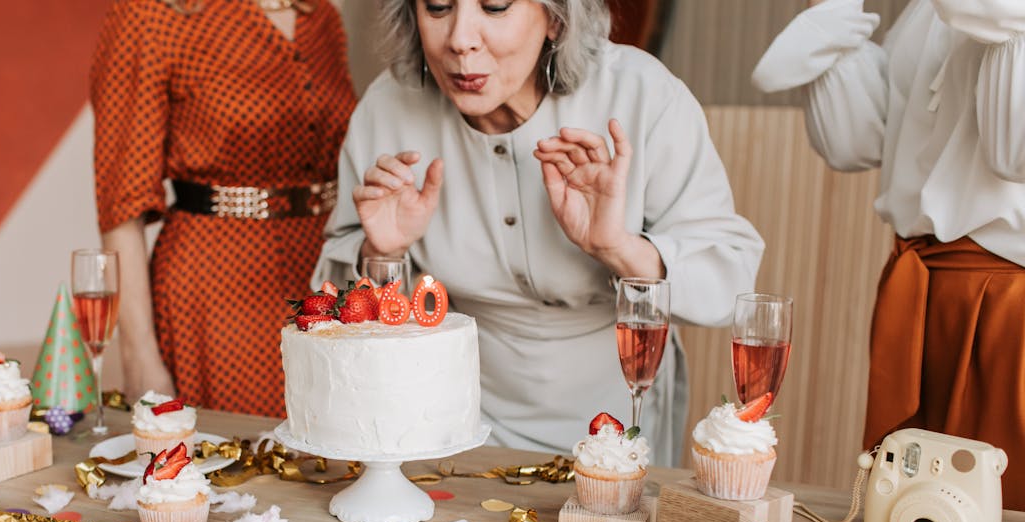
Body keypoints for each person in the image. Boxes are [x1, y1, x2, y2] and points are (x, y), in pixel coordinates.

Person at [312, 0, 763, 465]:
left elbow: (728, 280)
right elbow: (341, 312)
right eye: (439, 7)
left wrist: (618, 248)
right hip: (452, 418)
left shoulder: (640, 93)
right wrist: (384, 253)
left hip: (617, 417)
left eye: (495, 7)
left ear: (555, 17)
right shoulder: (388, 106)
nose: (460, 38)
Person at [753, 0, 1025, 507]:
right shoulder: (923, 11)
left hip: (1006, 303)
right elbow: (857, 142)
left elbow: (1016, 152)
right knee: (912, 511)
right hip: (921, 285)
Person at [91, 0, 356, 416]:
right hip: (216, 288)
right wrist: (138, 355)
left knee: (330, 459)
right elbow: (123, 203)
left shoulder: (320, 15)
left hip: (324, 278)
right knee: (240, 464)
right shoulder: (150, 14)